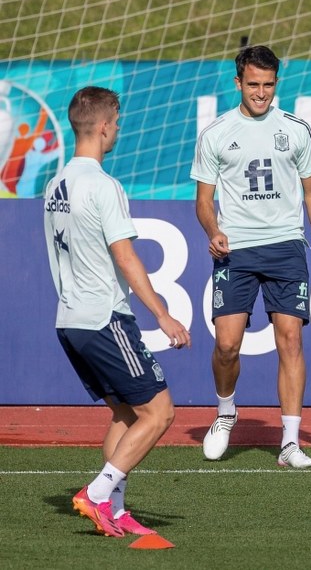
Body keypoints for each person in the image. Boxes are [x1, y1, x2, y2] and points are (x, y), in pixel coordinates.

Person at [43, 86, 191, 537]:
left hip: (70, 321)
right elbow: (125, 256)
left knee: (127, 414)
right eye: (118, 122)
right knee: (160, 413)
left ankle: (115, 510)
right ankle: (96, 493)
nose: (119, 129)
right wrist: (162, 314)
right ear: (105, 126)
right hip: (104, 317)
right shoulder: (103, 185)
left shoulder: (55, 184)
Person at [191, 44, 311, 468]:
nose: (261, 93)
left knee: (290, 340)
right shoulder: (216, 133)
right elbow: (203, 201)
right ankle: (226, 413)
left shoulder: (296, 129)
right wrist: (213, 231)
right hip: (235, 249)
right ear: (238, 83)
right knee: (227, 345)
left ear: (277, 83)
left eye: (269, 85)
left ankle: (289, 444)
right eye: (253, 84)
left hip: (286, 246)